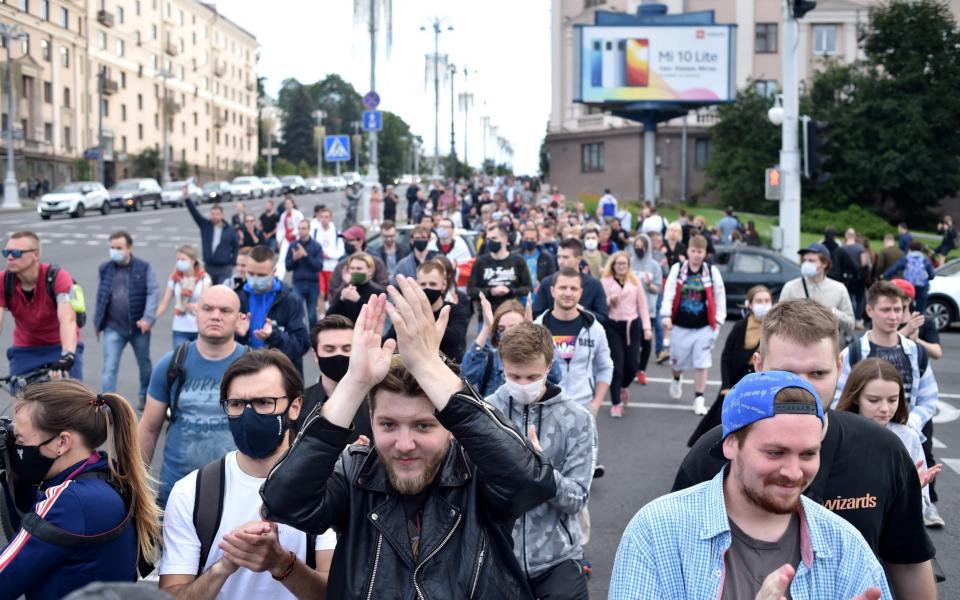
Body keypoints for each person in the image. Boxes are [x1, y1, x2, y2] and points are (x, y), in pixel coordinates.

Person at [259, 281, 557, 599]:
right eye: (388, 425)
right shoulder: (354, 475)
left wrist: (429, 366)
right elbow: (283, 502)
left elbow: (532, 482)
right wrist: (354, 384)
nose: (404, 444)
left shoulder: (478, 474)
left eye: (423, 427)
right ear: (371, 422)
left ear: (452, 426)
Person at [673, 299, 937, 599]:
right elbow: (676, 555)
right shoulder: (715, 452)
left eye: (818, 374)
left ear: (839, 367)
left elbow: (908, 563)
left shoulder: (884, 450)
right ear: (758, 367)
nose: (803, 388)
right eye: (786, 372)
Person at [611, 371, 892, 599]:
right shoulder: (657, 532)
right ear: (731, 444)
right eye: (775, 453)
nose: (794, 472)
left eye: (808, 454)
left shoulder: (845, 546)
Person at [158, 350, 337, 599]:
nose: (248, 415)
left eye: (264, 402)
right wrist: (225, 565)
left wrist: (282, 563)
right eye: (237, 404)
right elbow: (172, 594)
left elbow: (338, 592)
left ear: (295, 406)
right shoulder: (193, 492)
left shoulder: (328, 488)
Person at [0, 380, 161, 598]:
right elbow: (36, 532)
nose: (15, 446)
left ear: (62, 443)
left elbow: (6, 576)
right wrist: (16, 478)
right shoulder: (108, 478)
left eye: (19, 439)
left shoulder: (71, 502)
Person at [485, 322, 595, 598]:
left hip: (557, 559)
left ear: (549, 366)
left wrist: (542, 471)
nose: (522, 385)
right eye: (514, 376)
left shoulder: (578, 419)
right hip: (496, 556)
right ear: (502, 366)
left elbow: (577, 499)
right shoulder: (487, 412)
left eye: (532, 377)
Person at [834, 281, 943, 527]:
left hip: (908, 432)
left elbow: (928, 396)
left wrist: (909, 424)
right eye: (886, 310)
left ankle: (926, 506)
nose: (894, 316)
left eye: (898, 309)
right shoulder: (852, 352)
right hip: (860, 438)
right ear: (870, 311)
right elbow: (839, 396)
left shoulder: (916, 352)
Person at [139, 285, 250, 507]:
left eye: (225, 310)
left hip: (237, 495)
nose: (215, 316)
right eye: (207, 308)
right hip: (176, 494)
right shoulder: (170, 365)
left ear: (239, 319)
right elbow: (149, 429)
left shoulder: (254, 367)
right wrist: (134, 485)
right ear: (195, 313)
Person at [836, 358, 944, 527]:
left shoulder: (908, 438)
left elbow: (921, 505)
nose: (885, 408)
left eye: (893, 400)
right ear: (856, 397)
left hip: (893, 536)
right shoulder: (837, 435)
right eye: (873, 400)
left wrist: (912, 491)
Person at [688, 285, 772, 447]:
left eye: (767, 300)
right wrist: (725, 385)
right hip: (739, 377)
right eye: (759, 301)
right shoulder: (741, 326)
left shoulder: (775, 327)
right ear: (750, 304)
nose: (764, 304)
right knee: (720, 417)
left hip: (763, 379)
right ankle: (705, 447)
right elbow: (726, 356)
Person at [0, 230, 83, 382]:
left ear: (36, 255)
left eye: (17, 253)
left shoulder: (57, 276)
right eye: (6, 252)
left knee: (71, 401)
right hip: (26, 349)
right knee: (22, 401)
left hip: (60, 345)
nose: (10, 257)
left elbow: (68, 319)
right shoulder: (3, 280)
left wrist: (67, 354)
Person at [660, 235, 727, 415]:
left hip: (703, 327)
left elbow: (720, 297)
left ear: (705, 253)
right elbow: (669, 293)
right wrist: (666, 315)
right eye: (693, 251)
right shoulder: (678, 269)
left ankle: (699, 398)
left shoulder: (711, 272)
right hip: (680, 326)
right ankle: (676, 379)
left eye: (700, 252)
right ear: (688, 251)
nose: (696, 255)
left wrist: (718, 321)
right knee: (677, 362)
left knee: (701, 363)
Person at [534, 268, 613, 417]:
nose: (568, 293)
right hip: (545, 408)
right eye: (563, 287)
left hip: (583, 407)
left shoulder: (594, 328)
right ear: (552, 291)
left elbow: (605, 367)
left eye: (573, 288)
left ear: (581, 293)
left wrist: (595, 404)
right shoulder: (537, 328)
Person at [95, 231, 160, 407]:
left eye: (119, 248)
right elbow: (101, 296)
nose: (114, 251)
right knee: (109, 368)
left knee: (144, 365)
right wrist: (97, 322)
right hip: (113, 327)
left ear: (129, 248)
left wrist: (148, 318)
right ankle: (106, 405)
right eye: (112, 247)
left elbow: (153, 292)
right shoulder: (105, 268)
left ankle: (145, 397)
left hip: (139, 328)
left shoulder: (144, 267)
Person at [462, 295, 564, 397]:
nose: (507, 333)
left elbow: (556, 378)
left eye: (514, 327)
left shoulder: (537, 356)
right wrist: (485, 328)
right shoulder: (490, 358)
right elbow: (465, 377)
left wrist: (532, 334)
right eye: (501, 329)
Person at [235, 246, 311, 375]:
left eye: (261, 275)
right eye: (251, 273)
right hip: (244, 373)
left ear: (273, 272)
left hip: (279, 374)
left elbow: (301, 345)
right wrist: (238, 335)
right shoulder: (237, 297)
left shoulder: (290, 300)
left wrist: (274, 336)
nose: (255, 279)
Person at [299, 315, 372, 441]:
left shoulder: (374, 403)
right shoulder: (300, 405)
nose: (339, 354)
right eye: (329, 349)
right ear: (315, 355)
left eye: (347, 349)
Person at [384, 260, 469, 363]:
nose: (428, 288)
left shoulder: (456, 310)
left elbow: (455, 338)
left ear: (444, 285)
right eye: (423, 284)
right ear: (417, 285)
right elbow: (389, 338)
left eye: (433, 284)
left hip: (448, 368)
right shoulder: (409, 312)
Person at [601, 252, 651, 417]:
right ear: (613, 265)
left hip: (632, 325)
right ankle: (616, 403)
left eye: (624, 263)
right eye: (618, 263)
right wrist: (609, 301)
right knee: (617, 365)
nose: (621, 266)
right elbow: (601, 306)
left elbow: (643, 306)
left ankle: (623, 386)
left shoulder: (635, 282)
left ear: (629, 266)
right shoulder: (605, 282)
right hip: (614, 326)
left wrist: (647, 328)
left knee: (632, 365)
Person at [778, 243, 855, 342]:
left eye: (811, 261)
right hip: (797, 346)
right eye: (804, 260)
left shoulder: (839, 289)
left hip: (826, 349)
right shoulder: (790, 287)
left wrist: (832, 312)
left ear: (824, 264)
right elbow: (777, 319)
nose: (806, 264)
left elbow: (850, 324)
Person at [532, 238, 609, 322]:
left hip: (584, 333)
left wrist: (581, 310)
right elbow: (536, 314)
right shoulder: (547, 283)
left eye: (565, 257)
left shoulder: (594, 285)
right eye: (559, 257)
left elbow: (603, 318)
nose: (560, 261)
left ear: (578, 259)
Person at [155, 245, 213, 350]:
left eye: (183, 259)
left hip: (198, 329)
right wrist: (150, 319)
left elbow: (206, 303)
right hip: (179, 328)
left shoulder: (204, 279)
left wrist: (196, 306)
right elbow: (164, 303)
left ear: (193, 261)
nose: (179, 262)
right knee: (180, 361)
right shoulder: (174, 279)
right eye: (177, 259)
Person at [467, 223, 533, 312]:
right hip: (487, 313)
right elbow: (471, 290)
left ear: (505, 239)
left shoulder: (518, 261)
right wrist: (490, 292)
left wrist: (510, 291)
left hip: (512, 312)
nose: (490, 242)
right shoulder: (480, 262)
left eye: (494, 238)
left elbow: (528, 288)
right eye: (488, 239)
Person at [630, 234, 662, 385]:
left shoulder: (654, 266)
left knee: (646, 342)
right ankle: (633, 367)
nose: (639, 249)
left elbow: (658, 290)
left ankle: (642, 370)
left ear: (647, 247)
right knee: (633, 342)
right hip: (631, 310)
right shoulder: (629, 262)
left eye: (642, 246)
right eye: (636, 246)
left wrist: (649, 284)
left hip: (648, 310)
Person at [327, 226, 389, 301]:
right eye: (345, 240)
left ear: (360, 241)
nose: (346, 243)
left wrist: (365, 280)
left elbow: (384, 290)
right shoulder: (341, 265)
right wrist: (346, 283)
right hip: (347, 310)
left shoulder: (376, 262)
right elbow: (333, 294)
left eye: (350, 240)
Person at [186, 201, 238, 285]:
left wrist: (233, 262)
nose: (214, 216)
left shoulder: (230, 229)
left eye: (217, 214)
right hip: (209, 267)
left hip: (224, 268)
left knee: (222, 291)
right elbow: (194, 213)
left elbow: (236, 246)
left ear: (222, 215)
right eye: (212, 214)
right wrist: (187, 199)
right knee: (208, 291)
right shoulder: (205, 226)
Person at [285, 220, 324, 328]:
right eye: (299, 228)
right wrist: (294, 259)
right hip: (298, 283)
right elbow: (287, 267)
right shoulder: (293, 245)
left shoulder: (316, 246)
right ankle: (299, 338)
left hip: (312, 284)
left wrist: (306, 256)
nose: (301, 231)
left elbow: (318, 267)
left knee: (312, 315)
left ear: (309, 229)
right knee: (297, 312)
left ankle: (314, 339)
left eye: (304, 228)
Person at [327, 252, 384, 326]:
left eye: (359, 269)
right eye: (352, 268)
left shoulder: (377, 292)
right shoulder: (345, 289)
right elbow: (329, 317)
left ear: (370, 271)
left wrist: (358, 300)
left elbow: (374, 318)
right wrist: (341, 299)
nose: (355, 271)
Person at [892, 278, 942, 360]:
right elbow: (879, 347)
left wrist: (916, 340)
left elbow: (937, 353)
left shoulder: (922, 321)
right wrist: (906, 330)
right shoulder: (882, 320)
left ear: (907, 300)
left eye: (894, 297)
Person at [309, 205, 343, 319]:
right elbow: (311, 248)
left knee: (331, 293)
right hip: (319, 267)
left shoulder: (337, 232)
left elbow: (341, 250)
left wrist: (330, 255)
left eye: (326, 217)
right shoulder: (314, 232)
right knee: (320, 293)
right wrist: (319, 254)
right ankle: (322, 317)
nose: (324, 219)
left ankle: (331, 315)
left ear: (330, 218)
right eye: (322, 217)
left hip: (332, 267)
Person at [882, 241, 935, 312]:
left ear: (910, 249)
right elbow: (932, 274)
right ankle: (918, 320)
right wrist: (927, 279)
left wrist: (885, 275)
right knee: (920, 309)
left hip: (908, 286)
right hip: (921, 287)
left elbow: (895, 268)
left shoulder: (906, 258)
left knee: (905, 306)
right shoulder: (925, 259)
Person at [275, 197, 304, 281]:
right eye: (286, 204)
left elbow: (302, 225)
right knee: (282, 258)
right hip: (287, 239)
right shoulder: (283, 215)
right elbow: (281, 228)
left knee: (300, 258)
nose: (288, 205)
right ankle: (278, 277)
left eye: (289, 203)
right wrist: (279, 240)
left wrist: (295, 232)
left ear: (292, 204)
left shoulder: (298, 214)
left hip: (296, 239)